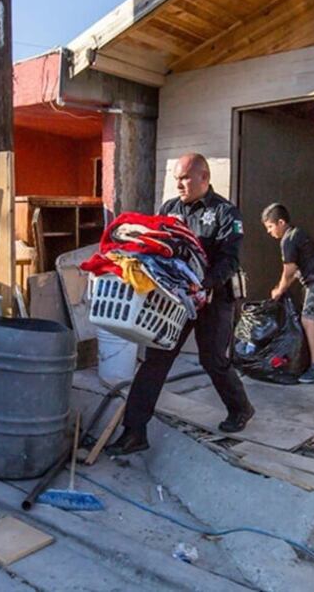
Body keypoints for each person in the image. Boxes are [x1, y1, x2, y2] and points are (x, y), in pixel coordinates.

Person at [105, 153, 256, 456]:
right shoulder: (170, 209)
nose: (179, 184)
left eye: (185, 177)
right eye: (176, 179)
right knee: (155, 360)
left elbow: (229, 259)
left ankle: (240, 408)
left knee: (212, 359)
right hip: (175, 301)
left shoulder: (226, 213)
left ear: (204, 177)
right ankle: (134, 432)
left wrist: (205, 284)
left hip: (214, 298)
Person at [261, 203, 314, 383]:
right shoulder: (297, 234)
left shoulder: (289, 239)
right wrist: (281, 288)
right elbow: (293, 273)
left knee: (309, 320)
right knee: (308, 319)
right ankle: (312, 363)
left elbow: (289, 271)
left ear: (281, 222)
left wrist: (279, 290)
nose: (269, 232)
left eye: (270, 227)